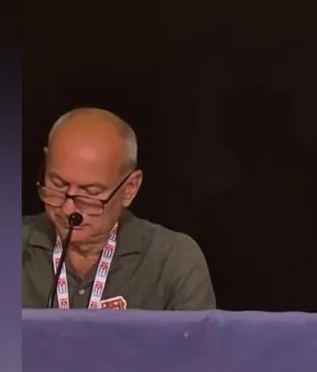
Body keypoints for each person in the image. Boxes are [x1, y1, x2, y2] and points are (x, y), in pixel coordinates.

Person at [22, 108, 216, 310]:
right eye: (58, 184)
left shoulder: (174, 260)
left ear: (130, 188)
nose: (68, 209)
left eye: (90, 193)